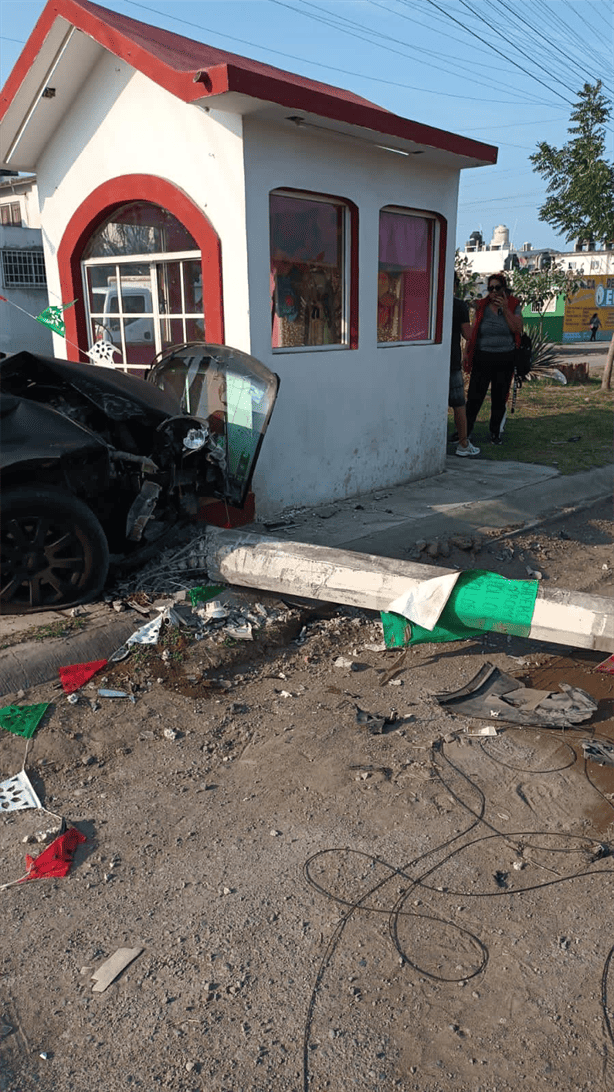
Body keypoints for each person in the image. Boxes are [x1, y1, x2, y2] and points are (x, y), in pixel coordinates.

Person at [463, 272, 523, 445]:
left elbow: (517, 328)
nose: (494, 292)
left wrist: (505, 309)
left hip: (505, 357)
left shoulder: (513, 304)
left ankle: (495, 433)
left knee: (499, 396)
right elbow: (475, 329)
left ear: (504, 288)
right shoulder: (482, 305)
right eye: (490, 288)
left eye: (497, 288)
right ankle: (465, 431)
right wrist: (467, 351)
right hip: (483, 356)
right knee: (475, 396)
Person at [450, 275, 480, 457]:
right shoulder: (459, 305)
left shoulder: (427, 301)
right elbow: (468, 335)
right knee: (459, 404)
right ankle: (463, 443)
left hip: (428, 359)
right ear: (455, 285)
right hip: (451, 361)